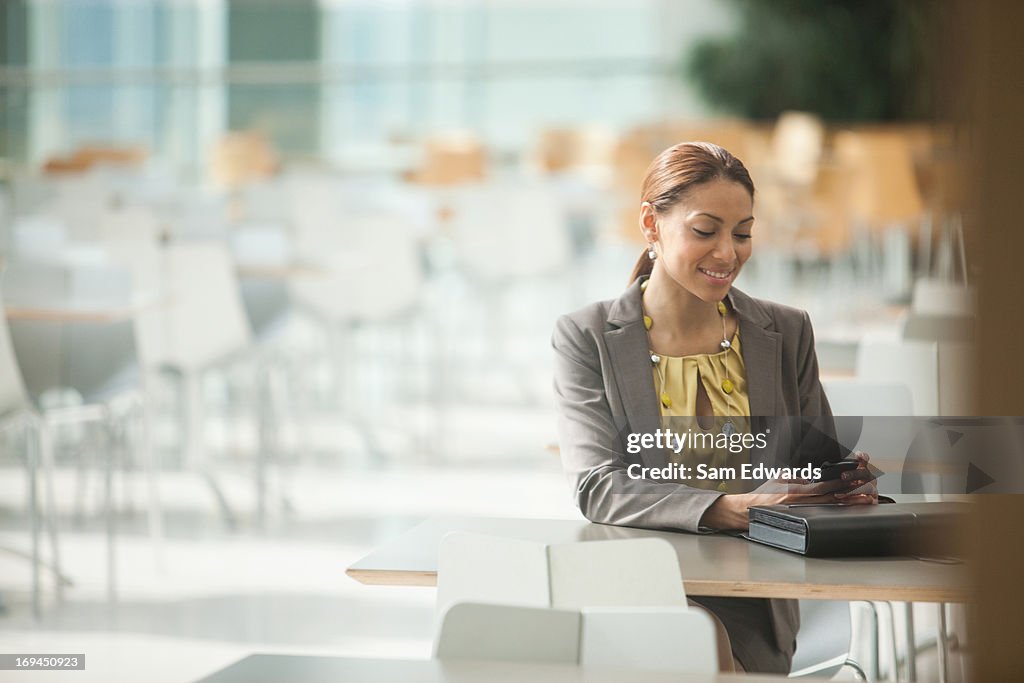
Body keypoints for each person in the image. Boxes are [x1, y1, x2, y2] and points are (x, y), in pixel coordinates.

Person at [551, 141, 877, 674]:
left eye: (743, 233)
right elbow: (597, 487)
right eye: (706, 231)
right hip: (639, 584)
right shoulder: (587, 336)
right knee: (685, 635)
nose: (728, 253)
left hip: (756, 592)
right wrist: (731, 507)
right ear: (650, 225)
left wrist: (838, 486)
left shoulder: (786, 331)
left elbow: (816, 471)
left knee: (698, 640)